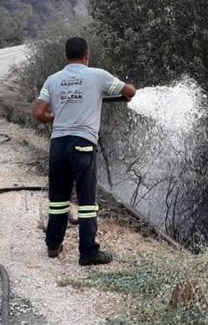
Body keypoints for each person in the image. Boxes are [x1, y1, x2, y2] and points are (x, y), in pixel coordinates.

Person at [32, 37, 136, 266]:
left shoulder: (52, 80)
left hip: (58, 144)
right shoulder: (98, 76)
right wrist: (131, 89)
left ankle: (53, 244)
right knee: (87, 201)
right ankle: (88, 252)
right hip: (83, 143)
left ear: (66, 56)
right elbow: (128, 91)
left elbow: (39, 113)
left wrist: (56, 115)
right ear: (87, 55)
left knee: (58, 198)